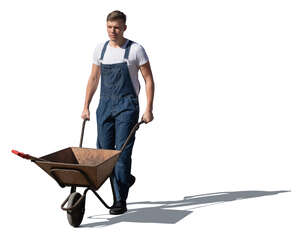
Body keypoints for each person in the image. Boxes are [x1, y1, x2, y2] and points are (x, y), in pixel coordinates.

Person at [81, 10, 155, 215]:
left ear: (124, 28)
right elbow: (94, 78)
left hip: (127, 106)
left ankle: (119, 200)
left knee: (120, 155)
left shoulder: (135, 50)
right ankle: (126, 179)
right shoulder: (100, 50)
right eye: (109, 27)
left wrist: (149, 108)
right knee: (105, 155)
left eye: (116, 27)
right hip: (104, 106)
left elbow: (148, 79)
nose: (112, 31)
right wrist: (86, 106)